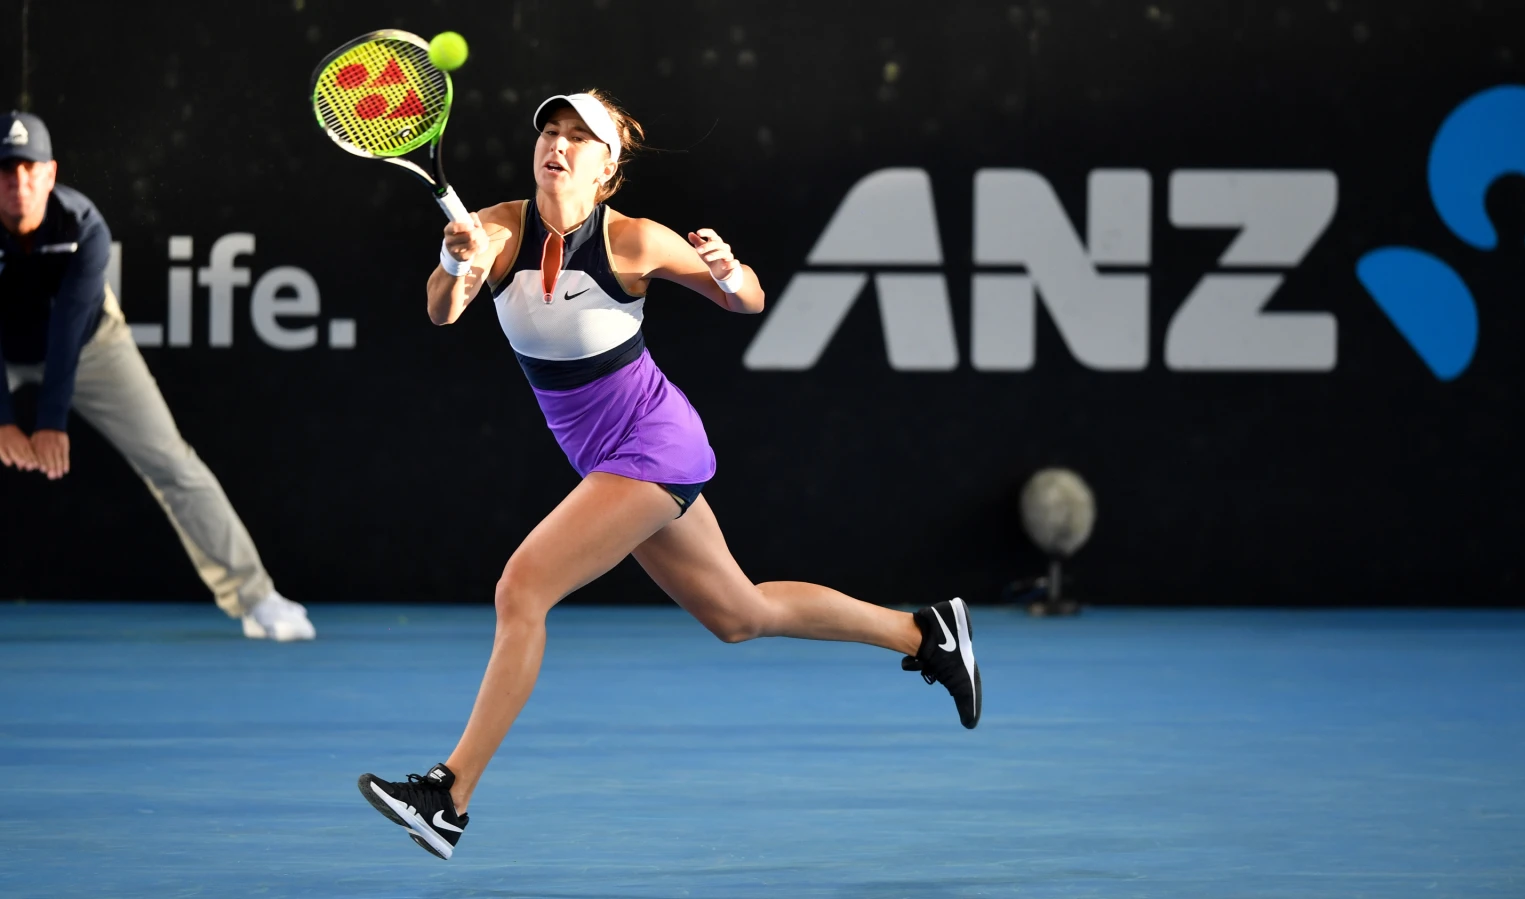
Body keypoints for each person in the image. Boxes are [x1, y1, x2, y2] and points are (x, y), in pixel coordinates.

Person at [356, 91, 981, 861]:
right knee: (738, 613)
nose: (558, 145)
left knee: (522, 588)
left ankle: (447, 796)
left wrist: (729, 269)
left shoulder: (635, 242)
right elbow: (442, 311)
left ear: (608, 169)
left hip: (653, 446)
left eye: (579, 139)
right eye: (549, 132)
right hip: (608, 459)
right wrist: (456, 263)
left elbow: (747, 298)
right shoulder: (495, 227)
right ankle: (924, 632)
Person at [0, 111, 315, 642]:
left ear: (51, 174)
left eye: (31, 171)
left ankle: (257, 597)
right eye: (7, 173)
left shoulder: (85, 227)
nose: (19, 185)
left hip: (89, 344)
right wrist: (5, 421)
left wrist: (50, 421)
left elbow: (68, 329)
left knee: (172, 462)